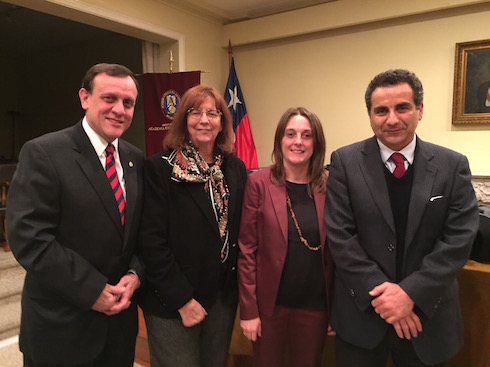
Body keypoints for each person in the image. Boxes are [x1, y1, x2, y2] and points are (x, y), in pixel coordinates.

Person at [324, 69, 480, 367]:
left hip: (426, 318)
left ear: (419, 110)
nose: (392, 119)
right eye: (381, 110)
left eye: (402, 107)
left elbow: (459, 239)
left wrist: (410, 293)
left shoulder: (452, 165)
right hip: (363, 318)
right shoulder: (344, 162)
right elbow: (341, 237)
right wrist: (386, 299)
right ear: (370, 115)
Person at [6, 63, 144, 366]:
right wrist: (91, 289)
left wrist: (135, 275)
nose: (119, 109)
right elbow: (29, 238)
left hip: (119, 329)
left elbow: (142, 233)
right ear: (85, 98)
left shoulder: (136, 160)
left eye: (128, 103)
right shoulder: (44, 153)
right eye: (109, 98)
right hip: (61, 329)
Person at [138, 84, 247, 367]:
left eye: (213, 113)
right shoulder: (161, 168)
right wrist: (182, 300)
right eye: (195, 112)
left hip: (221, 297)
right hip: (174, 301)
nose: (204, 119)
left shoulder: (233, 168)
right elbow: (151, 242)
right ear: (183, 119)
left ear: (222, 121)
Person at [238, 107, 334, 367]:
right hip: (269, 309)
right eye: (290, 134)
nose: (298, 142)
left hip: (315, 307)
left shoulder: (331, 185)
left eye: (306, 135)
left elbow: (338, 252)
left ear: (316, 142)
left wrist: (336, 311)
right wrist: (248, 311)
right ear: (280, 140)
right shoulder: (259, 183)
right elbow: (247, 250)